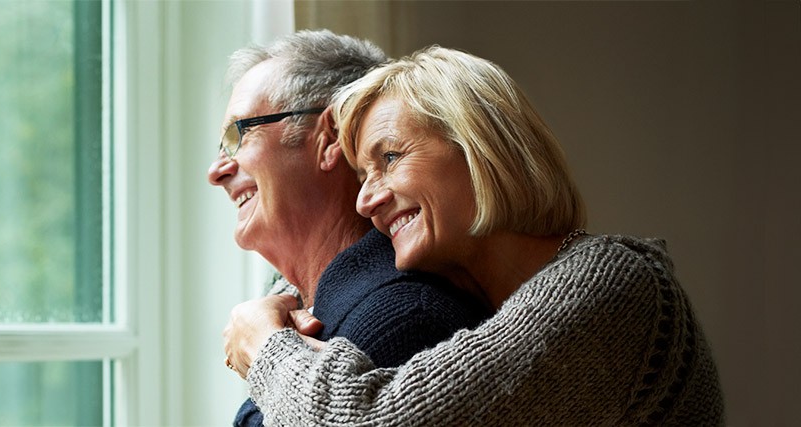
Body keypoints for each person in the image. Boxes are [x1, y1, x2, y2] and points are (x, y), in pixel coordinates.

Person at [221, 46, 725, 425]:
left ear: (478, 147)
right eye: (363, 173)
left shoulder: (612, 283)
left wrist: (265, 345)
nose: (365, 199)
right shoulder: (503, 305)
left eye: (390, 158)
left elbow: (377, 419)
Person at [207, 32, 493, 427]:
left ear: (329, 138)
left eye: (238, 135)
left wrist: (265, 346)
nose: (216, 171)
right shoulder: (298, 308)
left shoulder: (403, 317)